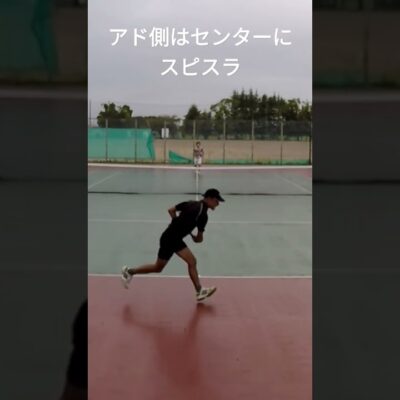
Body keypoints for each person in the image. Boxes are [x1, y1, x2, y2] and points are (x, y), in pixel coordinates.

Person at [121, 188, 225, 301]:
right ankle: (199, 290)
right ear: (209, 198)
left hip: (168, 236)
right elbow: (199, 239)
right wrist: (195, 238)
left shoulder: (190, 203)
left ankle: (129, 271)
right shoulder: (203, 216)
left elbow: (171, 210)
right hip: (173, 239)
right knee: (192, 261)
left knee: (158, 267)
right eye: (216, 201)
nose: (218, 204)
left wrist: (176, 222)